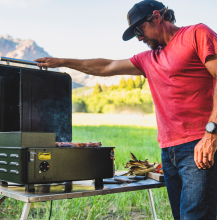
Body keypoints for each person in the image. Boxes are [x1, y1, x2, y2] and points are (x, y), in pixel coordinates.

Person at [35, 0, 217, 219]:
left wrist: (211, 134)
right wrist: (62, 62)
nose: (139, 38)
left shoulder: (196, 34)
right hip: (169, 152)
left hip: (198, 145)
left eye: (140, 30)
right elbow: (106, 66)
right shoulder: (148, 59)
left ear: (157, 16)